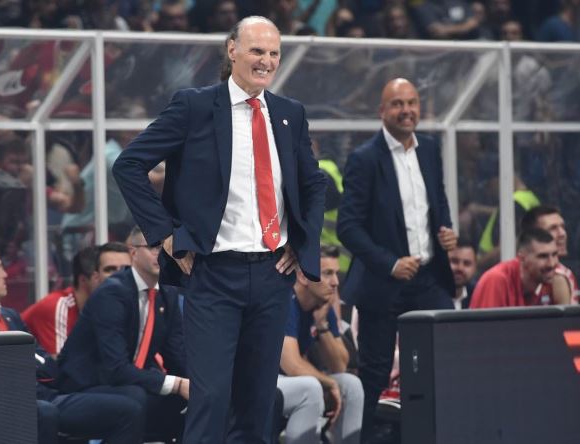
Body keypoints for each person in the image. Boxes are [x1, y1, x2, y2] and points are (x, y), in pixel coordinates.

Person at [112, 15, 326, 443]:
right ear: (232, 50)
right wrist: (166, 235)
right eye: (257, 51)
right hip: (212, 275)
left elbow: (314, 183)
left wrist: (301, 244)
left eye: (274, 53)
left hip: (272, 275)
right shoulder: (194, 107)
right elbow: (128, 165)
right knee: (210, 400)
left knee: (259, 403)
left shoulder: (289, 113)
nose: (266, 61)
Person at [337, 78, 456, 443]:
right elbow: (348, 227)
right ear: (382, 111)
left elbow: (437, 199)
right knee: (374, 373)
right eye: (398, 104)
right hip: (383, 282)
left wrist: (446, 229)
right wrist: (390, 263)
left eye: (412, 103)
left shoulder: (430, 149)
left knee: (447, 361)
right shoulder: (364, 159)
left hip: (429, 278)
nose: (407, 110)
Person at [0, 247, 144, 443]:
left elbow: (48, 366)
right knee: (45, 412)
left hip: (48, 393)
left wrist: (25, 363)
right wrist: (27, 363)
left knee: (130, 406)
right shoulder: (58, 305)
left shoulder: (11, 316)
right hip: (8, 402)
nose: (5, 275)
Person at [56, 226, 189, 442]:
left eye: (166, 248)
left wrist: (197, 384)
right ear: (133, 252)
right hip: (87, 385)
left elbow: (177, 353)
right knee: (136, 398)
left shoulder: (168, 292)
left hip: (129, 381)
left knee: (189, 400)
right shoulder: (112, 293)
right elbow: (115, 368)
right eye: (153, 247)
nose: (161, 254)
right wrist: (178, 384)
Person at [278, 246, 363, 443]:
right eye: (327, 274)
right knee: (311, 387)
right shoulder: (285, 300)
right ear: (303, 276)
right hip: (261, 379)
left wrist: (322, 325)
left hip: (289, 381)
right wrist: (329, 383)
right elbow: (292, 365)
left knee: (351, 385)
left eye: (336, 273)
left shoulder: (321, 304)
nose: (335, 282)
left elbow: (340, 366)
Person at [22, 242, 131, 356]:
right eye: (109, 270)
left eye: (126, 270)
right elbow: (61, 363)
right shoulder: (59, 306)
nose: (118, 278)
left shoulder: (114, 306)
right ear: (84, 280)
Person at [470, 228, 559, 308]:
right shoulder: (497, 279)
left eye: (554, 255)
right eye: (543, 256)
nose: (551, 264)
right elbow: (488, 321)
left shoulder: (549, 279)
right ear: (522, 258)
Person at [520, 205, 578, 304]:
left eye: (562, 227)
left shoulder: (559, 276)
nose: (562, 233)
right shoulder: (514, 276)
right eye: (553, 228)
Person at [448, 240, 477, 309]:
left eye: (467, 263)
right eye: (454, 261)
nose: (460, 268)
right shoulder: (429, 296)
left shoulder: (477, 295)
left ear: (475, 267)